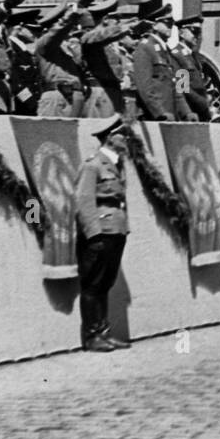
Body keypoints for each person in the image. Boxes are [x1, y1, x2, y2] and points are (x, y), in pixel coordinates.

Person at [74, 115, 133, 352]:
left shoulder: (116, 164)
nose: (127, 138)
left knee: (106, 283)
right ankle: (92, 336)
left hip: (115, 231)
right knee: (93, 285)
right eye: (123, 134)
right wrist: (94, 235)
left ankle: (104, 333)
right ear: (110, 138)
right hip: (100, 233)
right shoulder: (93, 164)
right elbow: (83, 200)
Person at [132, 2, 194, 122]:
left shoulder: (166, 51)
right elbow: (145, 87)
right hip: (154, 117)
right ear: (154, 25)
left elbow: (176, 87)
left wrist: (187, 112)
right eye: (167, 23)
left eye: (172, 23)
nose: (170, 26)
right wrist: (159, 112)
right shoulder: (145, 48)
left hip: (170, 117)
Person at [172, 15, 212, 121]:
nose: (197, 36)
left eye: (199, 33)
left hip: (199, 111)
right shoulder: (177, 55)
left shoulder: (193, 56)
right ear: (181, 33)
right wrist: (202, 102)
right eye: (194, 31)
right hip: (188, 112)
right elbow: (183, 87)